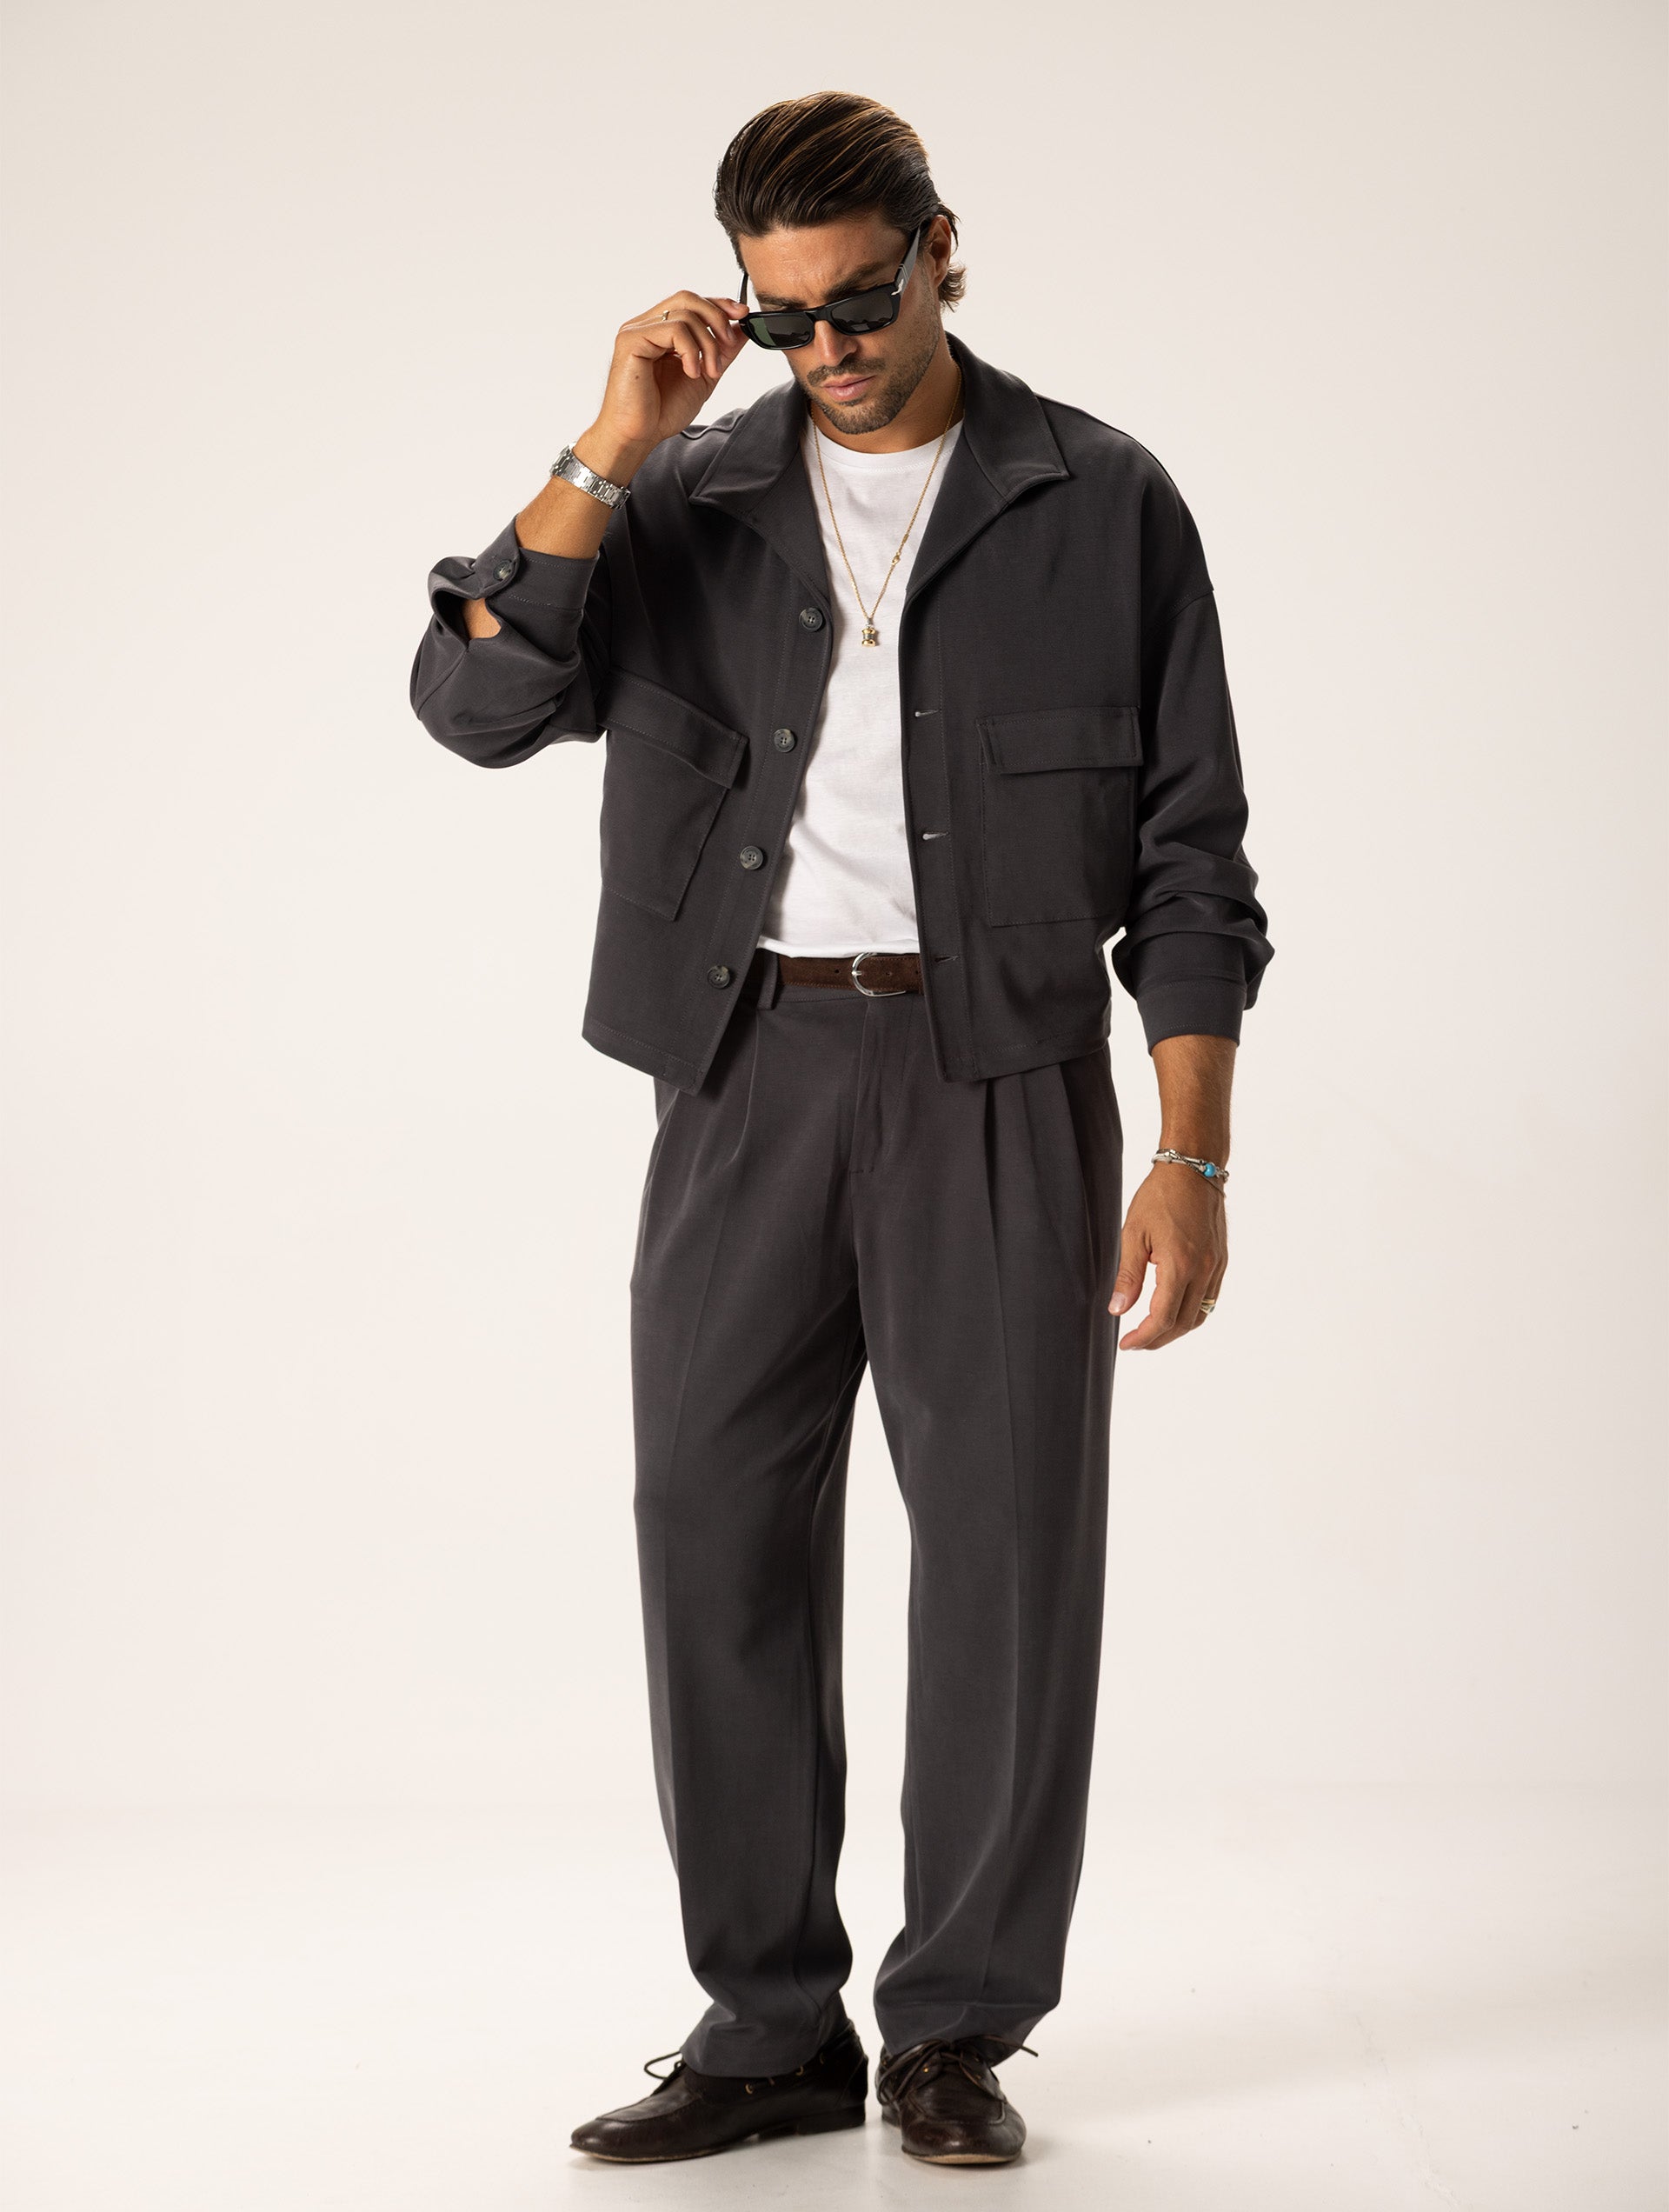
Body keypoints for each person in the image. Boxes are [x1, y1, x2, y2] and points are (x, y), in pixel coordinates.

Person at [409, 89, 1272, 2169]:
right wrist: (606, 442)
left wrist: (1192, 1153)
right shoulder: (685, 497)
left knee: (1006, 1555)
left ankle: (956, 2028)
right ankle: (766, 2024)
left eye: (863, 301)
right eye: (783, 316)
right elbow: (475, 709)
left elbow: (1193, 860)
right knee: (711, 1529)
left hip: (1001, 1083)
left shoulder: (1103, 502)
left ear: (942, 248)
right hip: (743, 1073)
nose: (832, 349)